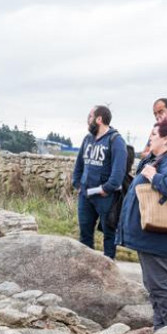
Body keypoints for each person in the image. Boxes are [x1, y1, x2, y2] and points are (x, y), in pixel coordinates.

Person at [116, 118, 167, 334]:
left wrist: (154, 176)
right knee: (156, 288)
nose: (150, 139)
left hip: (160, 238)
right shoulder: (162, 158)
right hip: (152, 237)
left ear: (166, 138)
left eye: (153, 135)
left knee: (163, 288)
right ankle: (162, 332)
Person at [72, 106, 127, 259]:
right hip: (85, 196)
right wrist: (77, 184)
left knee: (109, 236)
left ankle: (109, 273)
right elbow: (79, 166)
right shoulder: (87, 139)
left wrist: (106, 188)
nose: (87, 120)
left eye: (90, 116)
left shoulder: (116, 140)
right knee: (84, 235)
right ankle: (86, 269)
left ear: (99, 119)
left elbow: (118, 173)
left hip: (106, 197)